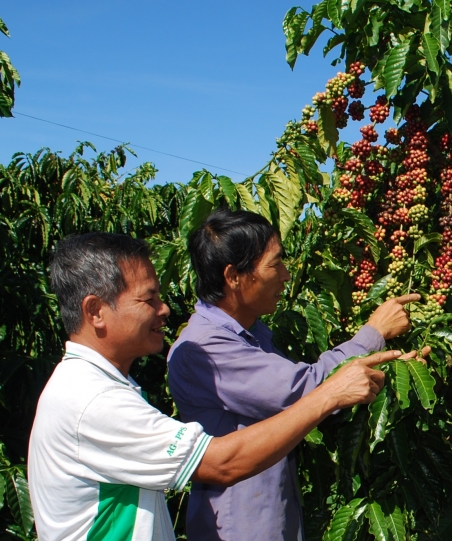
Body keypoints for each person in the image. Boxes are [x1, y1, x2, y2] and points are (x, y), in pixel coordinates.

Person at [29, 232, 397, 541]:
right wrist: (330, 392)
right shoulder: (93, 401)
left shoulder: (99, 386)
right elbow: (221, 462)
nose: (164, 309)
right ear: (95, 311)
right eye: (148, 299)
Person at [167, 208, 426, 541]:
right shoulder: (205, 348)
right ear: (234, 277)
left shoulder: (251, 332)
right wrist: (374, 332)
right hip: (241, 528)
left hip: (271, 515)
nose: (286, 275)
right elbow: (306, 390)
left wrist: (390, 363)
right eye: (275, 265)